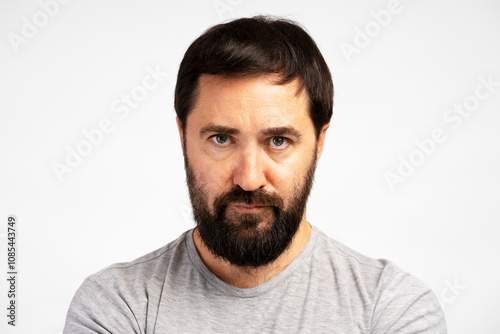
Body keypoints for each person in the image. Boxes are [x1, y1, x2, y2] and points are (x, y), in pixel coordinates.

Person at [63, 16, 447, 333]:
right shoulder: (117, 306)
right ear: (183, 138)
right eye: (221, 139)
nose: (248, 179)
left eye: (278, 141)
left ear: (319, 142)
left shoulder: (391, 308)